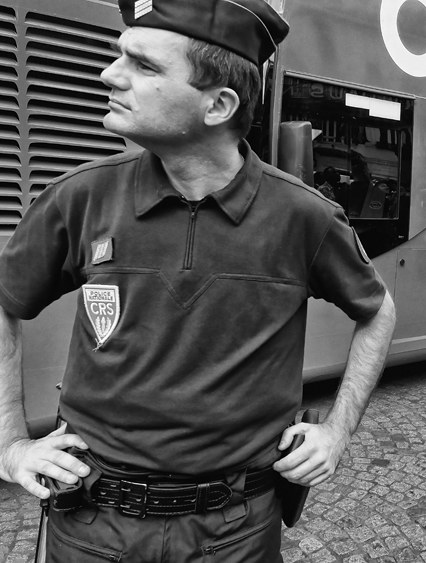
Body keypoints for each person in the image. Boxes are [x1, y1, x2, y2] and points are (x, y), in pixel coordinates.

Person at [0, 1, 397, 561]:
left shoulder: (303, 216)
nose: (109, 74)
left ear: (218, 104)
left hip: (236, 532)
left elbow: (377, 311)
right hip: (91, 525)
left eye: (143, 65)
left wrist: (338, 430)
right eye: (120, 57)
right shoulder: (80, 198)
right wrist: (12, 445)